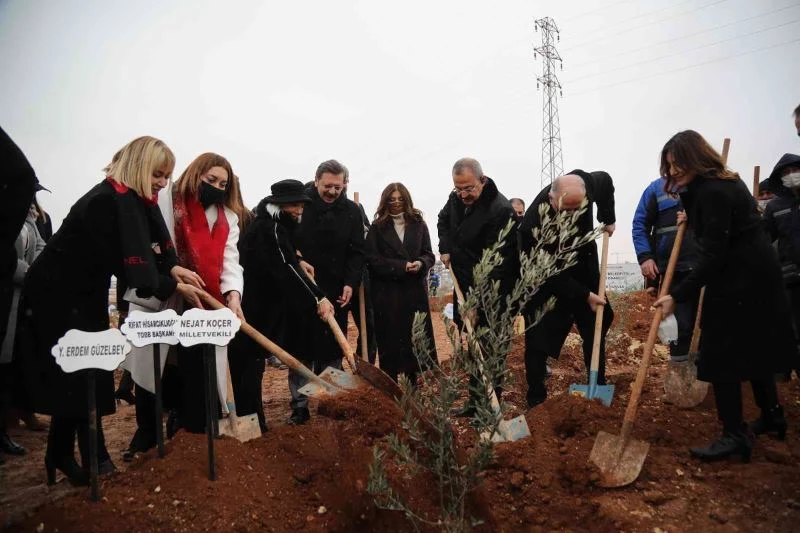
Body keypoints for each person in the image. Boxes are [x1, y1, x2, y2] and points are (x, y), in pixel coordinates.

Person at [17, 136, 205, 485]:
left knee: (88, 372)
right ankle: (93, 458)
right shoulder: (107, 201)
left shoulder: (131, 200)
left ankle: (61, 454)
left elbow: (152, 250)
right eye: (159, 175)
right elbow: (131, 267)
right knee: (81, 374)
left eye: (167, 177)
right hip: (56, 296)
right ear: (140, 166)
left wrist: (172, 267)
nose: (163, 184)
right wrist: (171, 284)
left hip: (83, 294)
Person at [654, 130, 795, 461]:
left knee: (719, 355)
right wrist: (691, 211)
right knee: (754, 347)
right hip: (758, 276)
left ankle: (734, 434)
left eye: (677, 164)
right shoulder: (723, 184)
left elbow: (713, 255)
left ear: (695, 158)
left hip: (738, 279)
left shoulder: (713, 191)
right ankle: (773, 415)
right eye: (669, 166)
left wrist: (677, 294)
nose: (672, 172)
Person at [229, 179, 334, 430]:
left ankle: (255, 420)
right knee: (248, 366)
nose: (300, 210)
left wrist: (298, 258)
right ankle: (251, 422)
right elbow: (285, 270)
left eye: (302, 205)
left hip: (258, 306)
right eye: (295, 205)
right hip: (253, 308)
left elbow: (287, 258)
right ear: (280, 204)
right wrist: (318, 297)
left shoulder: (272, 224)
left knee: (252, 365)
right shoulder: (270, 228)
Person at [519, 171, 616, 408]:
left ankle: (597, 384)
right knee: (538, 338)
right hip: (547, 279)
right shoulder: (532, 223)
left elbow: (606, 183)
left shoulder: (592, 184)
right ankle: (536, 399)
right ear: (552, 200)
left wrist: (608, 217)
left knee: (595, 325)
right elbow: (546, 271)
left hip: (583, 265)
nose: (573, 215)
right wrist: (584, 295)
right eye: (566, 210)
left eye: (578, 208)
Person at [163, 153, 244, 435]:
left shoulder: (228, 218)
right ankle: (163, 428)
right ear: (196, 174)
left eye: (223, 184)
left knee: (205, 368)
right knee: (169, 370)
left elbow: (230, 260)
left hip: (210, 303)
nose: (217, 187)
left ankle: (201, 428)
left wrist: (233, 294)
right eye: (211, 180)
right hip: (172, 297)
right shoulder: (171, 206)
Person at [437, 157, 518, 416]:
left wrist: (477, 303)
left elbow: (497, 265)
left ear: (482, 180)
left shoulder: (500, 210)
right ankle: (474, 404)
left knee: (491, 349)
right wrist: (445, 247)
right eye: (458, 189)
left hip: (495, 292)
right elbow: (442, 220)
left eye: (468, 188)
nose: (463, 194)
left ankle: (490, 408)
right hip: (465, 284)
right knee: (473, 346)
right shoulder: (456, 201)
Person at [292, 160, 364, 425]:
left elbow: (357, 251)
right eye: (328, 186)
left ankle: (331, 403)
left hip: (336, 289)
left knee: (333, 346)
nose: (333, 191)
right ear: (315, 181)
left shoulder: (352, 212)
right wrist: (295, 256)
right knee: (302, 349)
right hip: (302, 286)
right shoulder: (299, 204)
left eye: (338, 186)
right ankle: (299, 406)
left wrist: (350, 282)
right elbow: (283, 237)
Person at [632, 175, 700, 397]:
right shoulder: (656, 189)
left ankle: (711, 382)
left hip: (707, 264)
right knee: (679, 327)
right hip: (674, 267)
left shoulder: (705, 182)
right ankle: (678, 384)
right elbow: (640, 224)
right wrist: (645, 257)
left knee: (711, 325)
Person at [365, 183, 437, 384]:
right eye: (392, 199)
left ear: (406, 200)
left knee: (413, 338)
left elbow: (429, 254)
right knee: (389, 340)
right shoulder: (378, 228)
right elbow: (372, 260)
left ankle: (413, 385)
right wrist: (401, 266)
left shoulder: (419, 224)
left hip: (413, 292)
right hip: (387, 294)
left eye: (400, 199)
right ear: (385, 201)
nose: (396, 203)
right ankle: (391, 385)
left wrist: (421, 263)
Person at [0, 127, 37, 466]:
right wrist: (25, 272)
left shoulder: (32, 221)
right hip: (10, 288)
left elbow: (38, 250)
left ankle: (6, 425)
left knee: (8, 363)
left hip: (16, 300)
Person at [1, 201, 47, 450]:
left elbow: (40, 245)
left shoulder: (29, 216)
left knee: (17, 359)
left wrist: (38, 270)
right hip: (8, 291)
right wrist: (31, 273)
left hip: (22, 298)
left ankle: (14, 418)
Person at [762, 153, 800, 381]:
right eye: (785, 173)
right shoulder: (775, 207)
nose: (791, 176)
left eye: (793, 170)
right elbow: (763, 238)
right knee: (787, 325)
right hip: (788, 275)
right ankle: (783, 369)